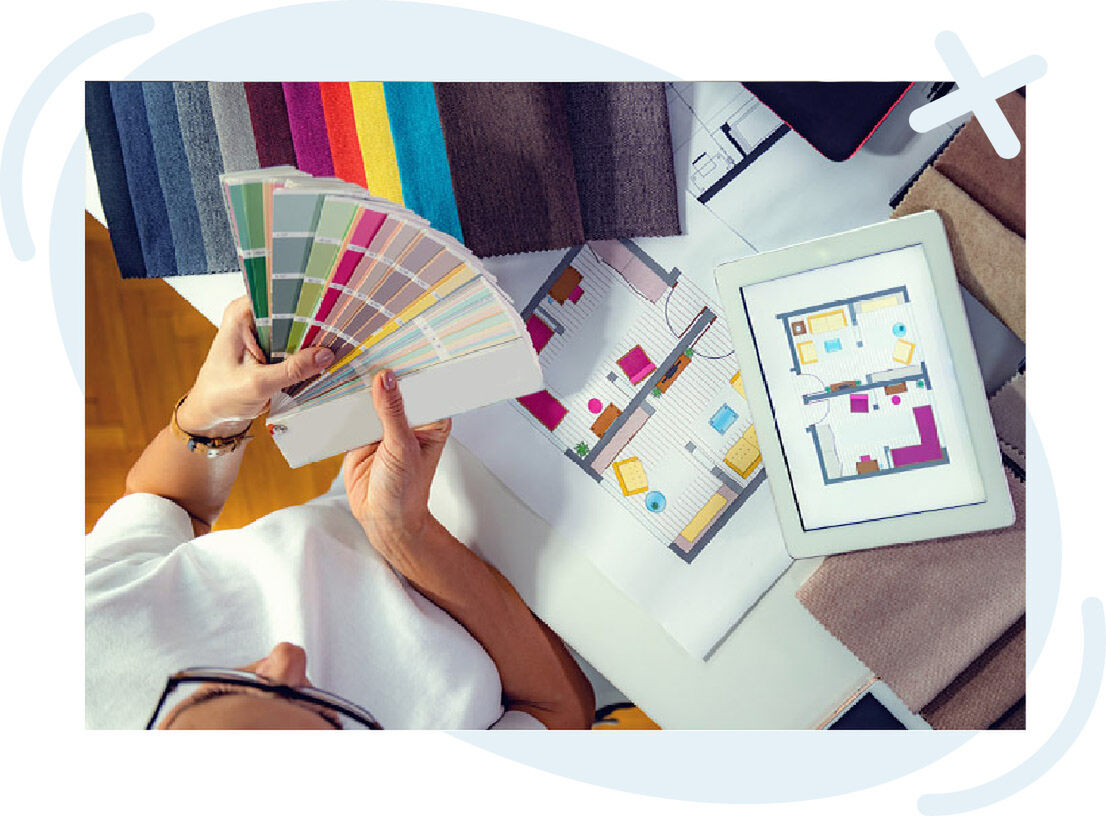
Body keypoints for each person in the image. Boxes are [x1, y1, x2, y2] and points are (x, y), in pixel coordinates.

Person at [85, 297, 595, 729]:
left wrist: (213, 412)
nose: (288, 654)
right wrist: (404, 536)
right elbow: (559, 708)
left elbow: (166, 505)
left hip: (395, 455)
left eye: (212, 687)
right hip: (574, 601)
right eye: (326, 712)